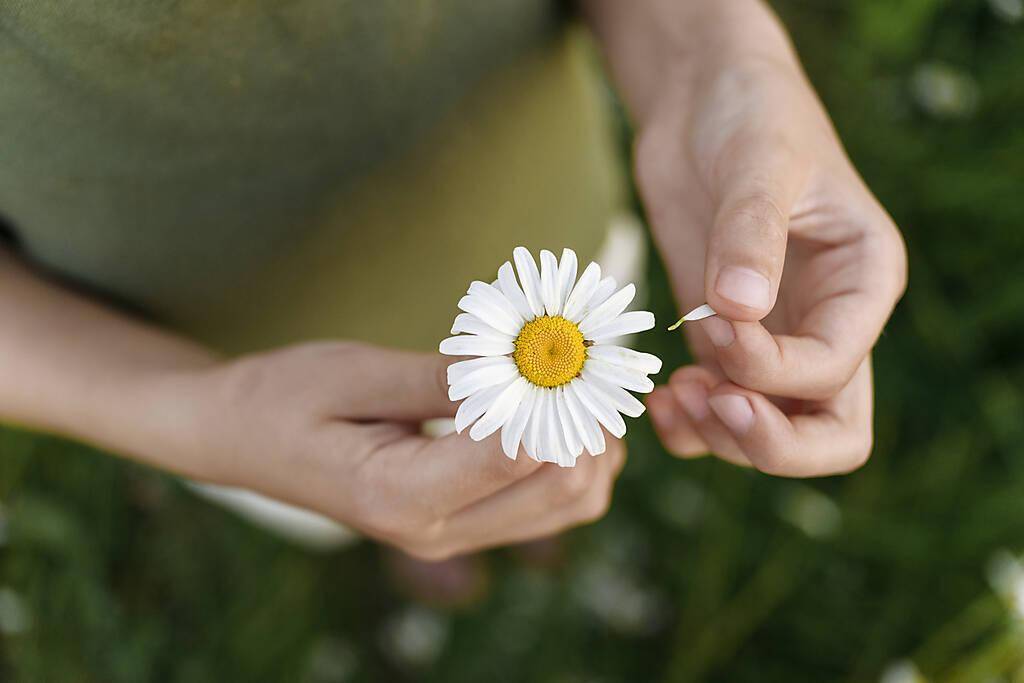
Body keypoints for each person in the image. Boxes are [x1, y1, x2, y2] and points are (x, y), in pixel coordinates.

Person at [0, 0, 905, 561]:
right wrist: (195, 411)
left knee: (547, 458)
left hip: (558, 235)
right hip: (229, 374)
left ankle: (499, 519)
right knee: (358, 499)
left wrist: (715, 54)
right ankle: (396, 535)